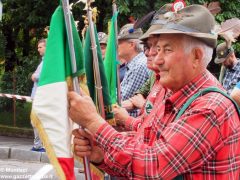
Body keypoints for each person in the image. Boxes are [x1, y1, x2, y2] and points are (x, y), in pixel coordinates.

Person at [69, 5, 240, 179]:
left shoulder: (211, 107)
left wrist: (93, 121)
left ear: (196, 56)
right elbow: (144, 141)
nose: (156, 59)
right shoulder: (173, 91)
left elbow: (153, 166)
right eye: (157, 49)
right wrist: (101, 155)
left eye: (167, 50)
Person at [118, 23, 150, 117]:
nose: (117, 46)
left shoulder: (139, 65)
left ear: (131, 45)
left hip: (132, 123)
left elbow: (122, 98)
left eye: (119, 43)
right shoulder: (134, 63)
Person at [30, 39, 46, 152]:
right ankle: (38, 145)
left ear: (46, 47)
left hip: (41, 96)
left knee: (37, 120)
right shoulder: (43, 61)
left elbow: (43, 76)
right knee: (35, 121)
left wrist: (35, 76)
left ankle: (41, 145)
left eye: (40, 47)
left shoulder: (47, 62)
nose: (38, 49)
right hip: (38, 95)